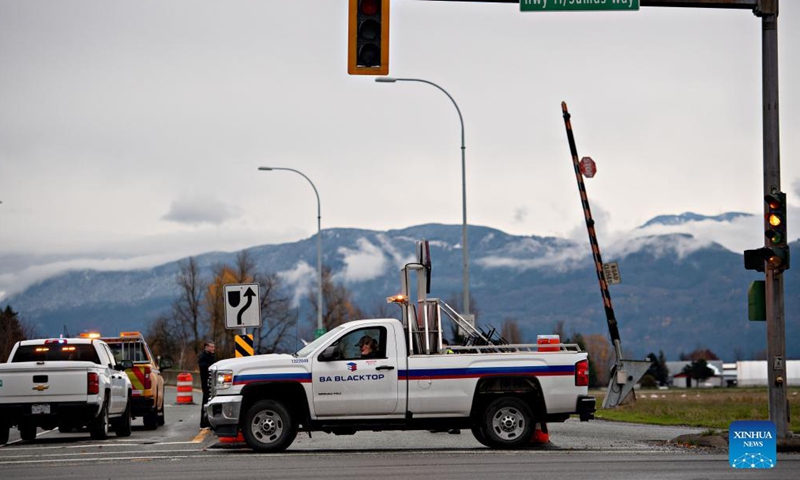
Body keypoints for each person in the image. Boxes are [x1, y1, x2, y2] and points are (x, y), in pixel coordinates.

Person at [197, 340, 216, 428]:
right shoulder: (203, 357)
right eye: (211, 347)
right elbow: (205, 367)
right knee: (206, 401)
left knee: (210, 401)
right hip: (206, 382)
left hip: (211, 382)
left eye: (213, 347)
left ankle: (209, 422)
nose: (213, 348)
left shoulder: (211, 356)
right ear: (206, 347)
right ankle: (204, 423)